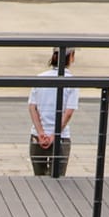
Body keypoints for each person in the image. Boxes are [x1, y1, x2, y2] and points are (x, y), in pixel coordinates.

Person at [28, 49, 80, 178]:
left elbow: (32, 107)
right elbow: (68, 113)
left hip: (37, 136)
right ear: (71, 58)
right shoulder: (72, 82)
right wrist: (54, 134)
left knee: (38, 179)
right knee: (57, 180)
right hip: (61, 137)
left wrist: (41, 133)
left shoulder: (40, 77)